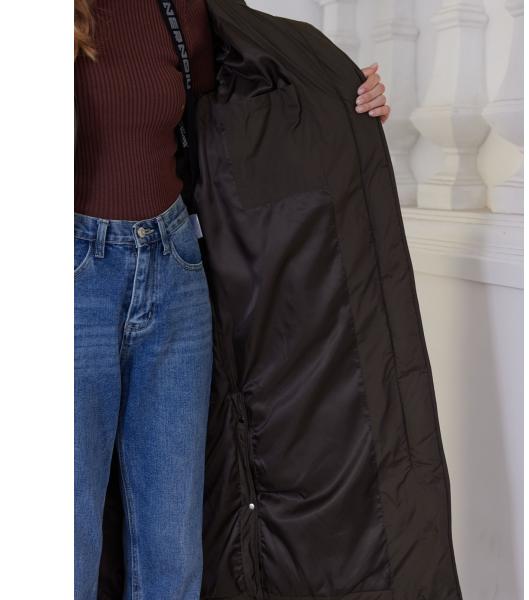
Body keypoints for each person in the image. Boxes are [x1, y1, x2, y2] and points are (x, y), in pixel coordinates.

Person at [73, 1, 391, 598]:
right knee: (63, 539)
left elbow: (250, 100)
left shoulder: (179, 7)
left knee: (173, 545)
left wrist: (345, 93)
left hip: (173, 270)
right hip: (72, 278)